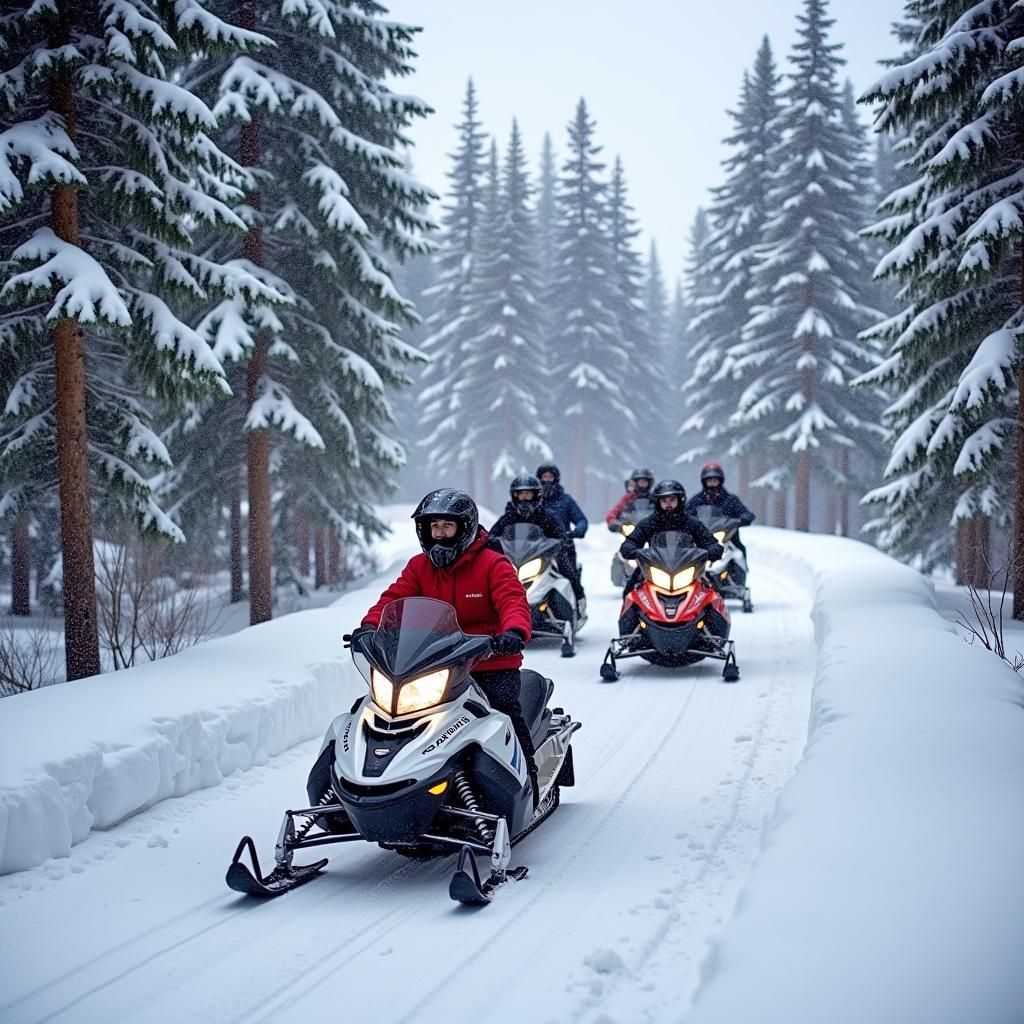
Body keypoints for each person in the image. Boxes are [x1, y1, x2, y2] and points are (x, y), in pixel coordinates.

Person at [354, 488, 539, 804]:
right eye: (433, 527)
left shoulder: (493, 564)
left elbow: (512, 600)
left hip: (489, 661)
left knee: (503, 711)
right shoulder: (419, 567)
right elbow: (392, 599)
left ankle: (528, 784)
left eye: (447, 526)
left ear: (464, 528)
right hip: (432, 665)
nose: (439, 534)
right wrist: (370, 626)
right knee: (384, 714)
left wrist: (513, 631)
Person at [488, 474, 585, 611]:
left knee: (565, 564)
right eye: (520, 494)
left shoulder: (547, 516)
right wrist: (490, 542)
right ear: (514, 496)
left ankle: (578, 597)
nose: (524, 498)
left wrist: (561, 541)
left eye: (528, 494)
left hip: (542, 555)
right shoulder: (509, 516)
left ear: (537, 495)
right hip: (516, 557)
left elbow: (559, 533)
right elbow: (493, 534)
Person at [620, 479, 724, 592]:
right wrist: (632, 550)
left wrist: (712, 550)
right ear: (658, 502)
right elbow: (632, 541)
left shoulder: (692, 523)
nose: (668, 503)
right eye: (664, 500)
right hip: (654, 569)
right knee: (630, 592)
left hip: (689, 569)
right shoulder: (649, 523)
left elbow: (709, 541)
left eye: (672, 499)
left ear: (680, 500)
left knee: (713, 594)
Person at [536, 462, 588, 610]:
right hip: (536, 548)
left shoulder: (565, 500)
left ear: (556, 479)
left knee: (568, 572)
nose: (547, 480)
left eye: (550, 477)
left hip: (562, 546)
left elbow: (581, 519)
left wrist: (578, 530)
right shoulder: (534, 501)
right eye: (543, 477)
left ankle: (578, 599)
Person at [685, 461, 755, 560]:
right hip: (702, 537)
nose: (712, 484)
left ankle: (741, 572)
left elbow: (744, 512)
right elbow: (685, 513)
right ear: (704, 482)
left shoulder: (730, 499)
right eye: (709, 481)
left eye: (715, 480)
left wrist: (745, 518)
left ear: (720, 481)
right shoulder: (696, 500)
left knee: (739, 551)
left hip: (727, 537)